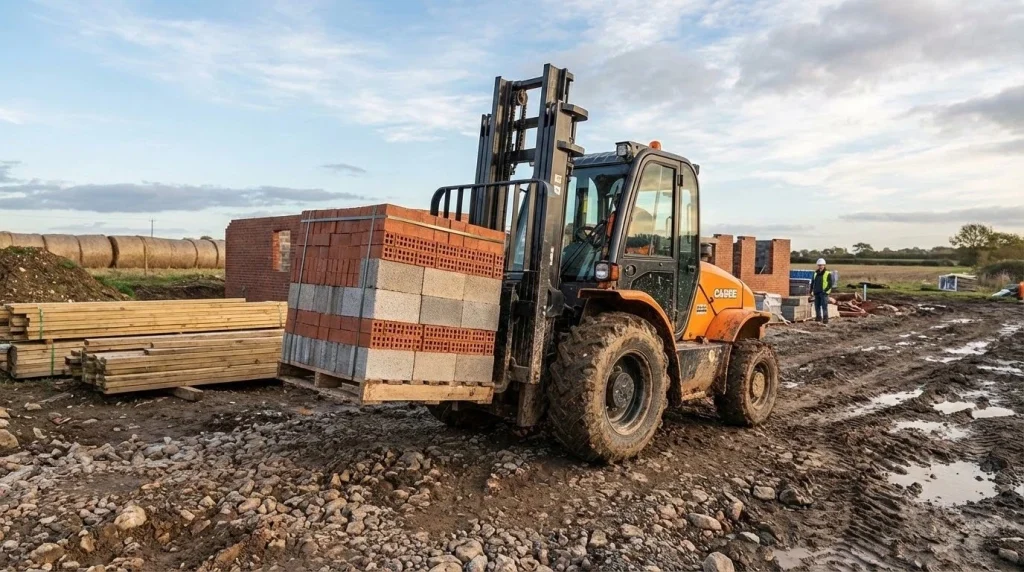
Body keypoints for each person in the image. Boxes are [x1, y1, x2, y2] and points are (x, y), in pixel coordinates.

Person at [811, 258, 832, 324]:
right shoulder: (815, 273)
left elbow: (830, 284)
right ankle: (818, 318)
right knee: (816, 306)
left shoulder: (828, 273)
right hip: (816, 292)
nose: (820, 266)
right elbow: (812, 282)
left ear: (824, 265)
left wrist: (825, 291)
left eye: (821, 265)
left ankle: (825, 319)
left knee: (824, 306)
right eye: (819, 265)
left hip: (824, 293)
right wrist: (811, 290)